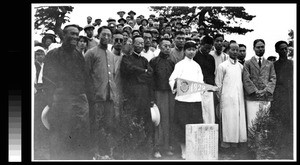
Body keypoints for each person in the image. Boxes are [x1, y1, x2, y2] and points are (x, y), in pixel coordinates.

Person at [43, 24, 91, 160]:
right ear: (63, 35)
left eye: (77, 34)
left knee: (79, 139)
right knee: (59, 139)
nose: (75, 37)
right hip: (60, 103)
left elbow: (85, 78)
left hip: (78, 103)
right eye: (72, 34)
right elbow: (47, 80)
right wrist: (51, 101)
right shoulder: (53, 55)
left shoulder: (78, 55)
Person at [84, 26, 121, 158]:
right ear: (98, 36)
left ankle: (105, 153)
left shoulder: (111, 55)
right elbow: (86, 75)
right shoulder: (91, 53)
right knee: (95, 125)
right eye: (103, 35)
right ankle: (95, 153)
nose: (106, 37)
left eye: (108, 35)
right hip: (96, 97)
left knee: (108, 125)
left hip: (109, 97)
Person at [120, 35, 155, 158]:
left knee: (145, 120)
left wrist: (139, 74)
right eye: (138, 43)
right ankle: (132, 149)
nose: (140, 45)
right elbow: (128, 70)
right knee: (133, 119)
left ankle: (144, 149)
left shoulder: (145, 60)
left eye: (142, 43)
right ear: (133, 44)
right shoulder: (126, 58)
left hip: (144, 94)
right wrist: (142, 72)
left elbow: (150, 74)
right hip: (132, 93)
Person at [169, 41, 204, 159]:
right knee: (182, 125)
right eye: (189, 49)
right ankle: (183, 150)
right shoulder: (180, 65)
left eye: (194, 49)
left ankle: (193, 149)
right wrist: (177, 86)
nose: (191, 52)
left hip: (195, 100)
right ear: (184, 51)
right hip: (183, 101)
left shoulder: (197, 66)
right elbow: (172, 80)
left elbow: (200, 81)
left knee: (195, 124)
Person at [215, 42, 247, 149]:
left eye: (237, 50)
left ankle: (235, 144)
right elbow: (218, 84)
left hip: (238, 98)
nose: (235, 52)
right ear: (228, 51)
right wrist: (221, 98)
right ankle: (225, 146)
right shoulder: (222, 66)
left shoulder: (241, 67)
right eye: (233, 50)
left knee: (237, 120)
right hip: (226, 98)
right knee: (227, 120)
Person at [149, 38, 175, 158]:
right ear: (159, 46)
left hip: (169, 94)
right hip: (158, 93)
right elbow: (150, 79)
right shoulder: (154, 61)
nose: (167, 48)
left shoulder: (171, 62)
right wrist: (152, 96)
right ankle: (157, 148)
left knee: (168, 120)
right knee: (159, 120)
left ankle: (166, 146)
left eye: (169, 46)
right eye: (165, 46)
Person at [242, 39, 276, 130]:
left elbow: (273, 78)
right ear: (254, 48)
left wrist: (266, 91)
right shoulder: (248, 63)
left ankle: (263, 143)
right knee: (252, 121)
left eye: (262, 47)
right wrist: (255, 91)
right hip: (252, 97)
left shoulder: (269, 64)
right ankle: (253, 144)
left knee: (264, 121)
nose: (260, 49)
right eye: (258, 47)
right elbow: (246, 78)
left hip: (266, 96)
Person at [271, 41, 293, 132]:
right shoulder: (274, 65)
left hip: (291, 94)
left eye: (286, 48)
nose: (284, 51)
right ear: (277, 50)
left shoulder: (292, 64)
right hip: (279, 95)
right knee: (280, 119)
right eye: (282, 49)